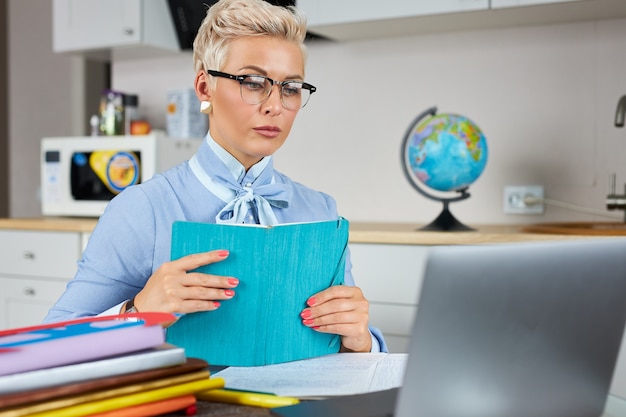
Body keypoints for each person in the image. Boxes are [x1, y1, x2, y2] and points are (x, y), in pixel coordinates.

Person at [44, 0, 387, 354]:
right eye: (253, 83)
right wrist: (139, 312)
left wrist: (360, 340)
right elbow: (46, 348)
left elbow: (349, 356)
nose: (275, 105)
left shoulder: (321, 211)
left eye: (290, 87)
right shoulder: (142, 210)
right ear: (205, 88)